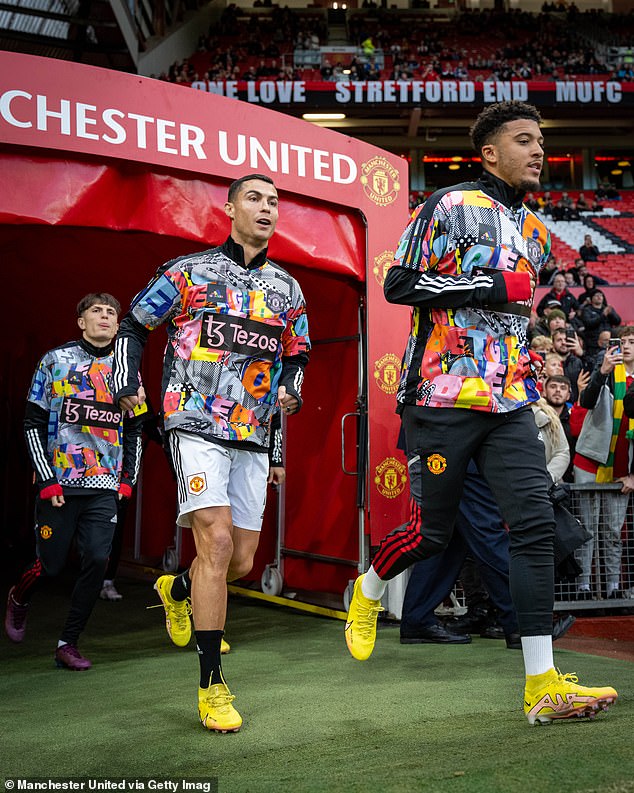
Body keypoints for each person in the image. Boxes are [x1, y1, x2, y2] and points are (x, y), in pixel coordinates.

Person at [343, 100, 617, 725]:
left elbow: (513, 320)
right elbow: (400, 285)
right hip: (443, 396)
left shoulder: (537, 230)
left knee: (534, 527)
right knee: (434, 534)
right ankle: (368, 586)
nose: (539, 151)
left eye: (542, 141)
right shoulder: (448, 205)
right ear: (490, 152)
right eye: (525, 140)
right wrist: (490, 287)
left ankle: (541, 684)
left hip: (512, 400)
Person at [112, 174, 310, 733]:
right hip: (195, 422)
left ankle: (174, 588)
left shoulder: (287, 288)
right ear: (228, 208)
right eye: (255, 198)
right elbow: (133, 326)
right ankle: (212, 685)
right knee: (216, 543)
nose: (267, 208)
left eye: (274, 201)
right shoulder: (188, 271)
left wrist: (292, 388)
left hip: (252, 431)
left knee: (240, 562)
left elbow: (297, 354)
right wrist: (133, 391)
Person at [4, 293, 143, 669]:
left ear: (118, 325)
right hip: (59, 485)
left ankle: (68, 642)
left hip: (104, 485)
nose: (104, 316)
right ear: (81, 321)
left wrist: (126, 479)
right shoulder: (54, 361)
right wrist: (46, 480)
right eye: (95, 311)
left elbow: (135, 430)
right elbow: (32, 422)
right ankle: (19, 597)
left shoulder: (127, 370)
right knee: (49, 566)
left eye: (111, 312)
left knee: (97, 560)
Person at [571, 327, 634, 600]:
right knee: (587, 528)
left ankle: (613, 590)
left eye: (633, 342)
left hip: (622, 468)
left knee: (612, 531)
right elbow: (585, 401)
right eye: (624, 342)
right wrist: (603, 371)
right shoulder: (604, 369)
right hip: (590, 461)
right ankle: (583, 587)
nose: (628, 346)